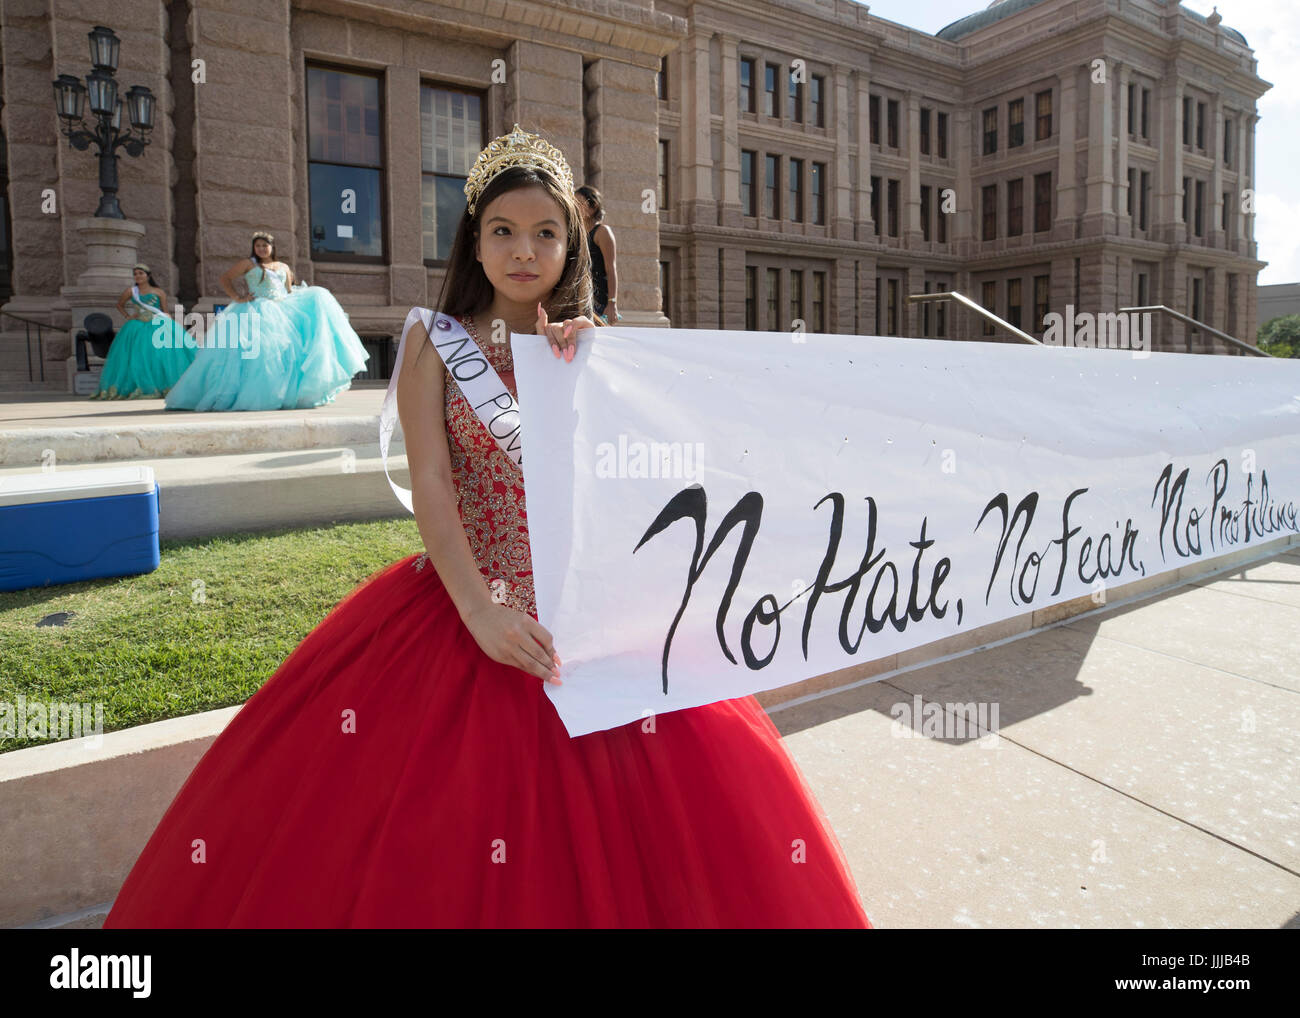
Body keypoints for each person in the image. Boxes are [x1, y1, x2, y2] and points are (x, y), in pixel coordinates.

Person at [103, 125, 870, 928]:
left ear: (572, 245)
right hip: (466, 603)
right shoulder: (436, 345)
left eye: (546, 233)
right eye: (503, 231)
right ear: (474, 241)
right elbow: (431, 481)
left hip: (584, 614)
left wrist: (594, 370)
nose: (524, 251)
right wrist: (478, 611)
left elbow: (631, 484)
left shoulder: (589, 349)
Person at [164, 232, 369, 411]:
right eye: (258, 245)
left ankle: (285, 394)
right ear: (254, 248)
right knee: (254, 355)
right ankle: (251, 394)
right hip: (255, 309)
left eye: (265, 245)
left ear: (272, 247)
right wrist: (237, 297)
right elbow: (226, 278)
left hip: (281, 311)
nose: (261, 248)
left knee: (286, 351)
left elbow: (288, 292)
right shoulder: (248, 264)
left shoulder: (283, 266)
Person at [90, 264, 196, 399]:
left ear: (148, 276)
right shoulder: (131, 291)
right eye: (135, 274)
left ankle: (164, 385)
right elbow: (119, 305)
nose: (138, 276)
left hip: (157, 324)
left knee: (161, 355)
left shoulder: (158, 292)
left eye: (141, 273)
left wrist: (169, 322)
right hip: (137, 327)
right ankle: (139, 386)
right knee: (137, 356)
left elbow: (164, 310)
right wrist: (128, 316)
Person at [577, 185, 619, 323]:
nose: (574, 207)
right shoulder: (578, 234)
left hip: (599, 302)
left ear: (593, 206)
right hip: (580, 298)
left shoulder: (602, 232)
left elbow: (611, 269)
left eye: (579, 203)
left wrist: (612, 303)